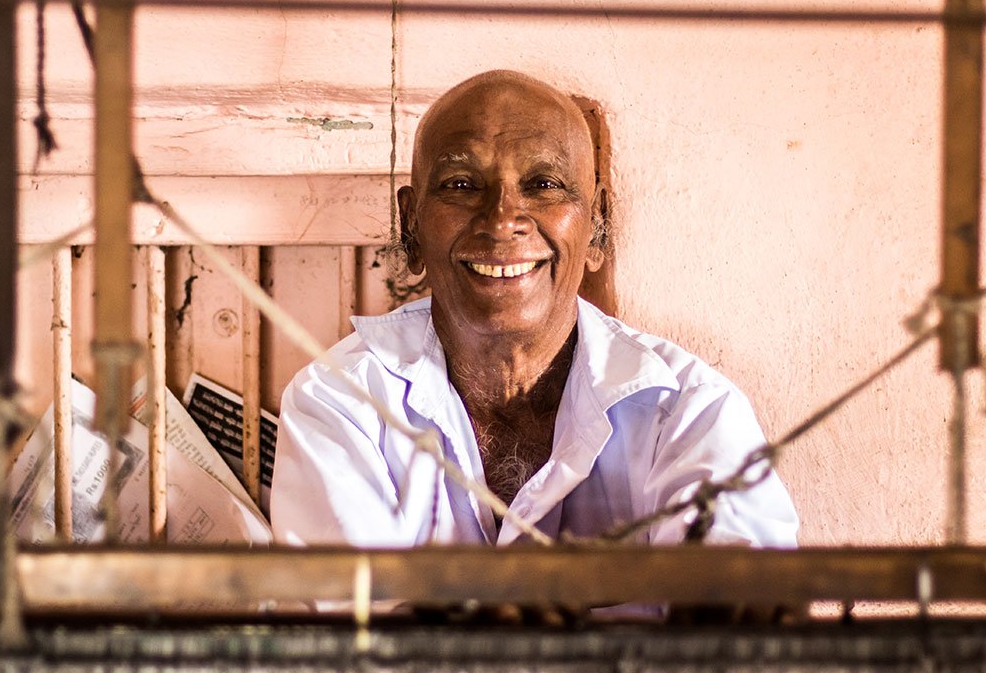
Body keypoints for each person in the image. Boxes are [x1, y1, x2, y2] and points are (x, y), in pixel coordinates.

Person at [271, 70, 797, 547]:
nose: (502, 220)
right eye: (461, 185)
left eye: (543, 185)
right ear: (411, 226)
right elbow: (352, 636)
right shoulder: (341, 403)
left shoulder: (690, 413)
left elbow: (731, 632)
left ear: (597, 226)